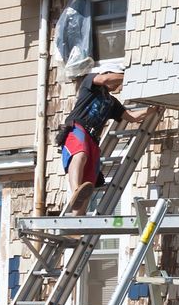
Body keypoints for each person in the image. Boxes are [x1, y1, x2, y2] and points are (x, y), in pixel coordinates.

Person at [57, 65, 150, 215]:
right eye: (117, 79)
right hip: (78, 127)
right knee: (80, 154)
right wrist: (131, 75)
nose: (119, 85)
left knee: (89, 181)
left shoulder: (112, 102)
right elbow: (105, 79)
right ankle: (75, 190)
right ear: (109, 73)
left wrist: (152, 110)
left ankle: (76, 221)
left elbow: (132, 117)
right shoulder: (90, 82)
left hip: (93, 139)